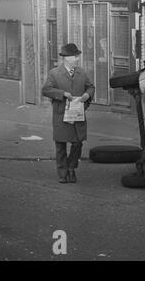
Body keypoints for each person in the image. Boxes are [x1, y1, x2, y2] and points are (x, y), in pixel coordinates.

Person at [42, 43, 95, 184]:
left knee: (77, 143)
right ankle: (63, 173)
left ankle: (71, 167)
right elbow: (46, 90)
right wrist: (62, 93)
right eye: (75, 56)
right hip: (61, 116)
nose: (77, 59)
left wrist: (87, 95)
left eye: (77, 56)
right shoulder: (54, 73)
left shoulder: (81, 72)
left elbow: (90, 87)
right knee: (60, 147)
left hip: (77, 115)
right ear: (66, 58)